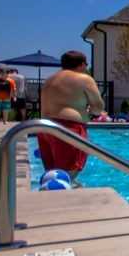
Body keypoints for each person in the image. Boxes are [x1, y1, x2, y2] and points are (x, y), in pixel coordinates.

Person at [37, 50, 104, 183]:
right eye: (86, 64)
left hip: (44, 128)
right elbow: (98, 107)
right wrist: (90, 111)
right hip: (68, 128)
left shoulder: (50, 79)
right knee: (68, 174)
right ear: (81, 64)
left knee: (53, 174)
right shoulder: (83, 78)